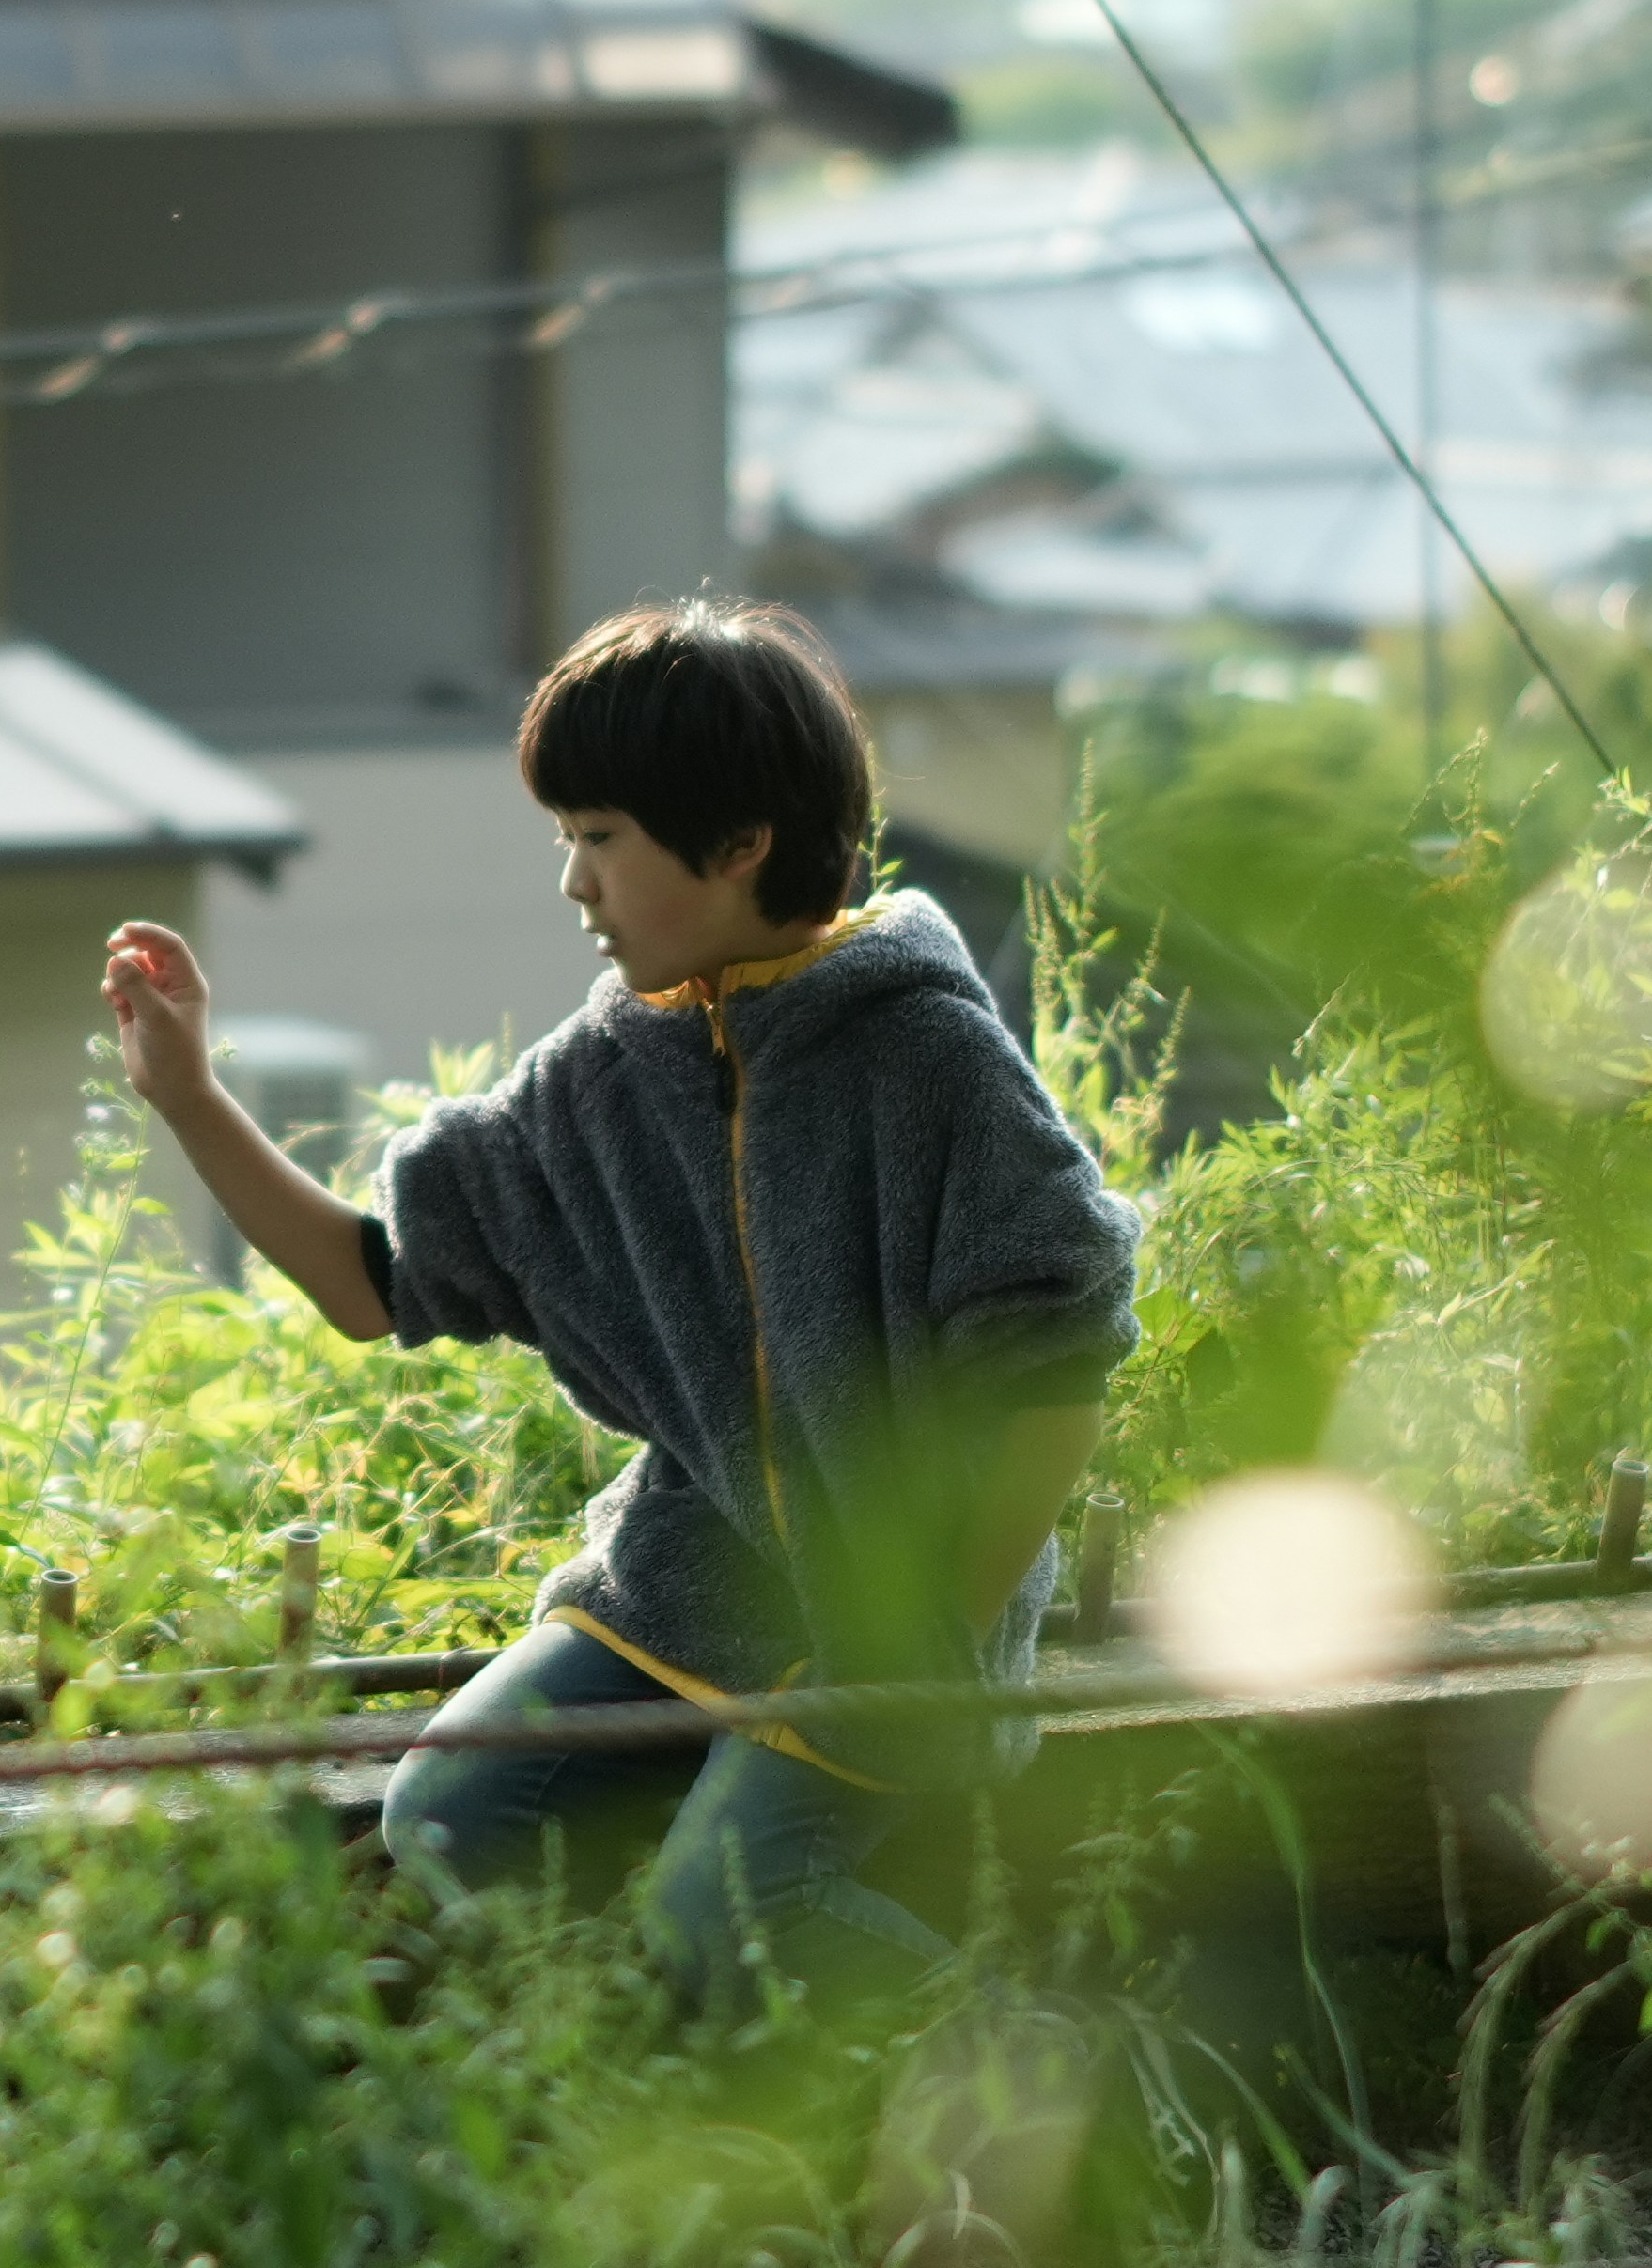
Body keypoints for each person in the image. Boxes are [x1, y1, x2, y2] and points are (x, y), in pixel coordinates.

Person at [103, 598, 1141, 2014]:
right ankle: (683, 2057)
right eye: (567, 838)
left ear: (740, 842)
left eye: (599, 838)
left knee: (720, 1915)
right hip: (688, 1581)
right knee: (449, 1818)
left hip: (902, 1608)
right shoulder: (607, 1072)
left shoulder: (925, 1053)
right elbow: (372, 1285)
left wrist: (931, 1635)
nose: (573, 884)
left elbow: (1057, 1367)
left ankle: (1025, 2065)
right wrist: (189, 1097)